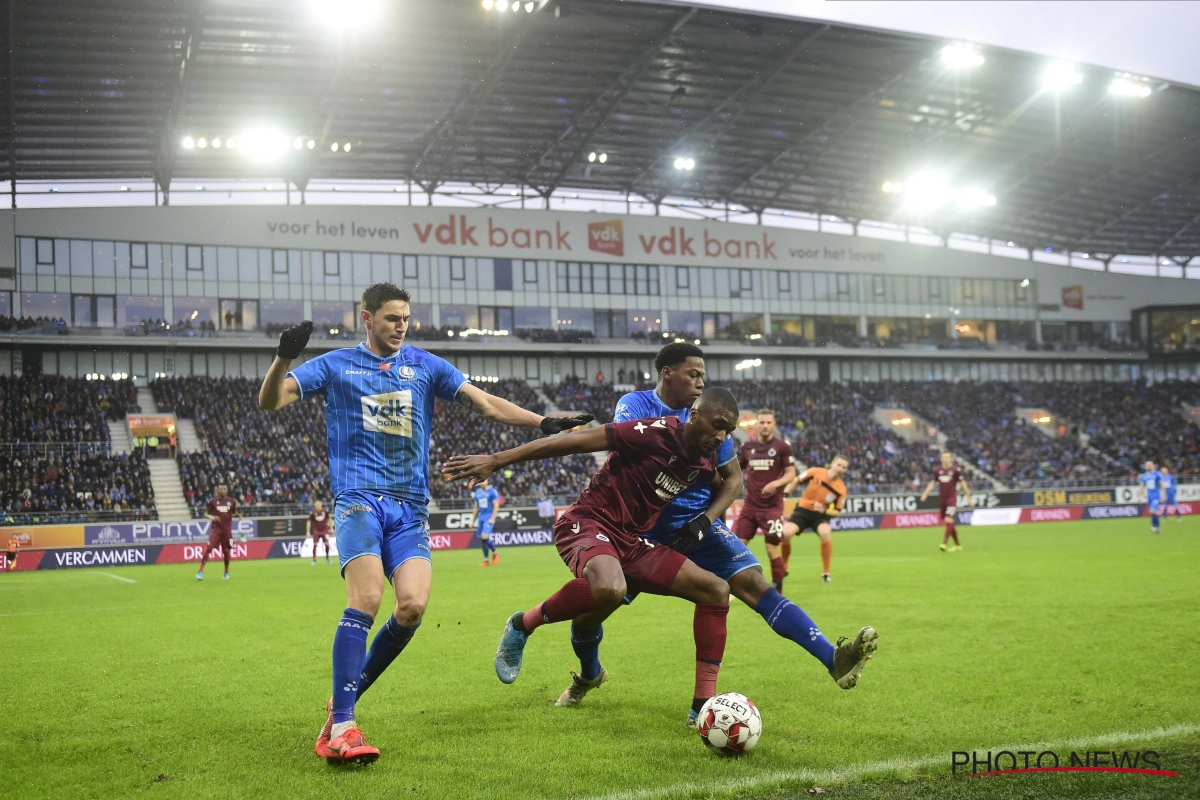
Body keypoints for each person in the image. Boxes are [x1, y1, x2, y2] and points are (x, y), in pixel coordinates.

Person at [257, 282, 591, 766]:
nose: (401, 326)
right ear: (366, 317)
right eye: (392, 318)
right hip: (359, 500)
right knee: (368, 597)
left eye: (406, 318)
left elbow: (484, 402)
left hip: (410, 506)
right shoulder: (334, 365)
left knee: (411, 606)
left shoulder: (425, 365)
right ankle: (345, 727)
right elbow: (271, 401)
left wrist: (542, 423)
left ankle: (340, 707)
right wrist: (282, 359)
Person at [517, 343, 876, 720]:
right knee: (593, 609)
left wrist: (706, 520)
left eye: (703, 376)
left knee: (753, 585)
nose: (701, 382)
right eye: (694, 374)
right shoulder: (637, 407)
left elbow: (733, 479)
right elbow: (623, 453)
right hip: (642, 533)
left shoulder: (713, 420)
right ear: (667, 373)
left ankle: (830, 660)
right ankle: (589, 674)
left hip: (697, 525)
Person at [445, 388, 740, 723]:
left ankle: (701, 708)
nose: (721, 435)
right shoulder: (651, 432)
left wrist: (706, 521)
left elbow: (729, 483)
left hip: (631, 541)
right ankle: (521, 625)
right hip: (588, 521)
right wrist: (497, 460)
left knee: (716, 590)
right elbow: (571, 443)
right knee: (611, 589)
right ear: (695, 414)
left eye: (728, 430)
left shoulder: (704, 462)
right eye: (717, 424)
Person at [732, 409, 796, 592]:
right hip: (750, 506)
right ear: (757, 424)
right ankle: (732, 587)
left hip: (772, 508)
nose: (766, 426)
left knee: (771, 549)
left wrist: (776, 483)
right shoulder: (747, 448)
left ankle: (778, 592)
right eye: (762, 422)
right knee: (736, 548)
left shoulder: (783, 447)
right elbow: (736, 470)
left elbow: (791, 473)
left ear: (773, 425)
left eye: (769, 423)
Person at [782, 455, 849, 583]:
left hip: (820, 515)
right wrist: (785, 494)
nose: (840, 469)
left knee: (825, 533)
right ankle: (784, 566)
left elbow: (837, 512)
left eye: (844, 467)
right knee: (785, 534)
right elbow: (796, 480)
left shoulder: (841, 489)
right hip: (803, 510)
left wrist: (824, 510)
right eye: (839, 465)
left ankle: (826, 573)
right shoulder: (815, 472)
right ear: (832, 464)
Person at [920, 451, 971, 551]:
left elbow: (963, 483)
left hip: (952, 499)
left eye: (947, 457)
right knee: (949, 523)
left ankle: (944, 542)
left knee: (949, 520)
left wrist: (969, 497)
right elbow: (933, 483)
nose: (945, 459)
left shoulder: (955, 470)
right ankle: (957, 544)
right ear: (941, 459)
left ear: (951, 459)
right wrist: (925, 493)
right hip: (942, 499)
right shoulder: (938, 470)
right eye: (944, 457)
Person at [198, 483, 239, 580]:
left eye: (224, 489)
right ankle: (200, 572)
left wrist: (238, 515)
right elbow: (206, 514)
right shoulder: (213, 501)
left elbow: (233, 512)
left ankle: (226, 572)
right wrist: (213, 517)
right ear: (218, 491)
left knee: (226, 551)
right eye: (221, 489)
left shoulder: (232, 502)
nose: (223, 491)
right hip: (216, 529)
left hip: (227, 531)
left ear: (227, 491)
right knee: (209, 548)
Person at [474, 478, 502, 567]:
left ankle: (495, 552)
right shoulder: (478, 493)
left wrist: (492, 518)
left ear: (487, 481)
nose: (481, 482)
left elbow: (496, 506)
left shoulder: (492, 492)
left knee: (484, 536)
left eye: (483, 480)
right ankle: (486, 560)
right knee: (483, 540)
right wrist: (472, 521)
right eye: (480, 481)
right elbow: (476, 508)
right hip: (481, 518)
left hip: (489, 518)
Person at [1139, 460, 1163, 534]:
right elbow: (1142, 486)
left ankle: (1153, 527)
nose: (1149, 466)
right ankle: (1158, 527)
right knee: (1153, 512)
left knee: (1152, 511)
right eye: (1147, 465)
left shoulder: (1157, 474)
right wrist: (1140, 496)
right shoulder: (1144, 475)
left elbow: (1163, 485)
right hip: (1149, 497)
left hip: (1156, 496)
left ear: (1153, 466)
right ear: (1145, 467)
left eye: (1150, 465)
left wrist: (1164, 495)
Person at [308, 499, 333, 565]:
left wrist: (331, 528)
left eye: (319, 504)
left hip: (325, 530)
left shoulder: (325, 511)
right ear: (315, 505)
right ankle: (314, 560)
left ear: (321, 504)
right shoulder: (313, 513)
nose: (318, 505)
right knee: (315, 545)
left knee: (327, 545)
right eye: (317, 504)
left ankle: (327, 557)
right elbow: (309, 521)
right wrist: (308, 531)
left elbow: (329, 519)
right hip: (317, 531)